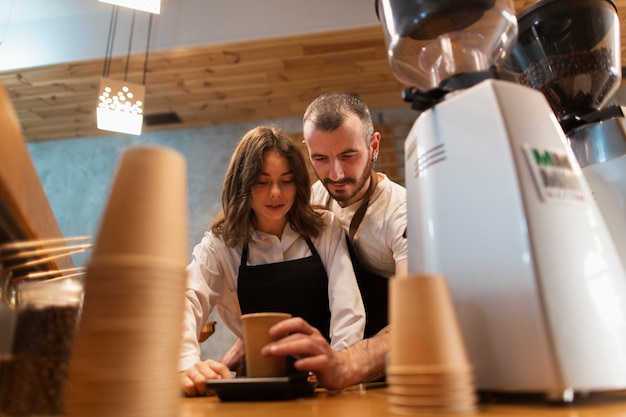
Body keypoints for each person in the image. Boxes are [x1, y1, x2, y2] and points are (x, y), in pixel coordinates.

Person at [179, 125, 366, 396]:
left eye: (286, 181)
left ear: (298, 183)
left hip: (325, 383)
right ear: (242, 184)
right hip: (259, 383)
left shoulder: (325, 228)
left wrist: (338, 362)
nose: (276, 193)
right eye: (262, 182)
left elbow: (348, 309)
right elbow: (186, 300)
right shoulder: (221, 244)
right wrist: (185, 363)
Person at [259, 91, 408, 390]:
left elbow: (416, 316)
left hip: (392, 379)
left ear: (373, 145)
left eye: (348, 156)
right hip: (324, 377)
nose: (335, 173)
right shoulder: (311, 200)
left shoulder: (402, 212)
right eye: (321, 159)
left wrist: (349, 363)